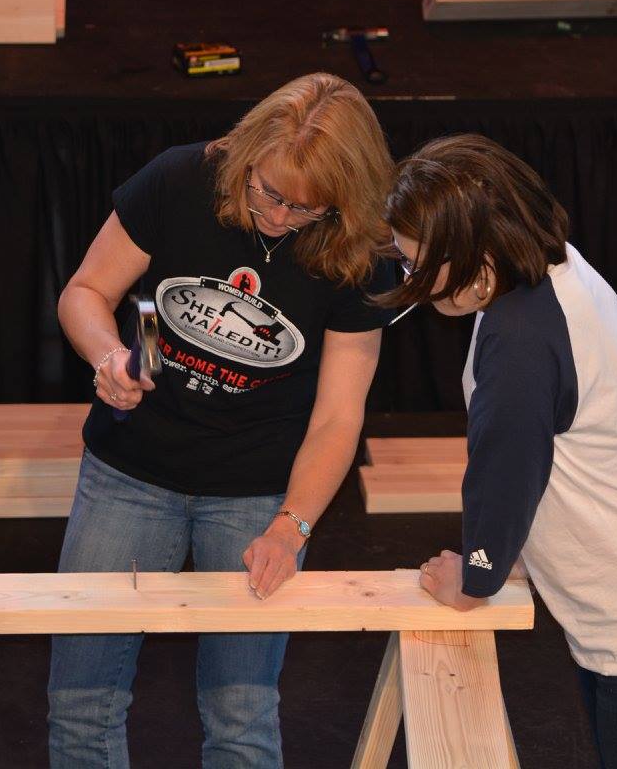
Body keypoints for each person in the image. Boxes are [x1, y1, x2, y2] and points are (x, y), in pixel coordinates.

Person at [50, 72, 398, 768]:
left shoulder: (361, 250)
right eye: (268, 193)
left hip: (257, 492)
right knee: (81, 705)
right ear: (247, 154)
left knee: (241, 717)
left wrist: (291, 526)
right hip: (130, 471)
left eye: (306, 209)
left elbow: (337, 416)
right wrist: (110, 356)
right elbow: (86, 291)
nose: (278, 218)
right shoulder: (181, 180)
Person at [384, 134, 617, 769]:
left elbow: (505, 475)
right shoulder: (548, 272)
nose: (410, 281)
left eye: (417, 263)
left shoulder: (522, 339)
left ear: (477, 253)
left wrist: (476, 578)